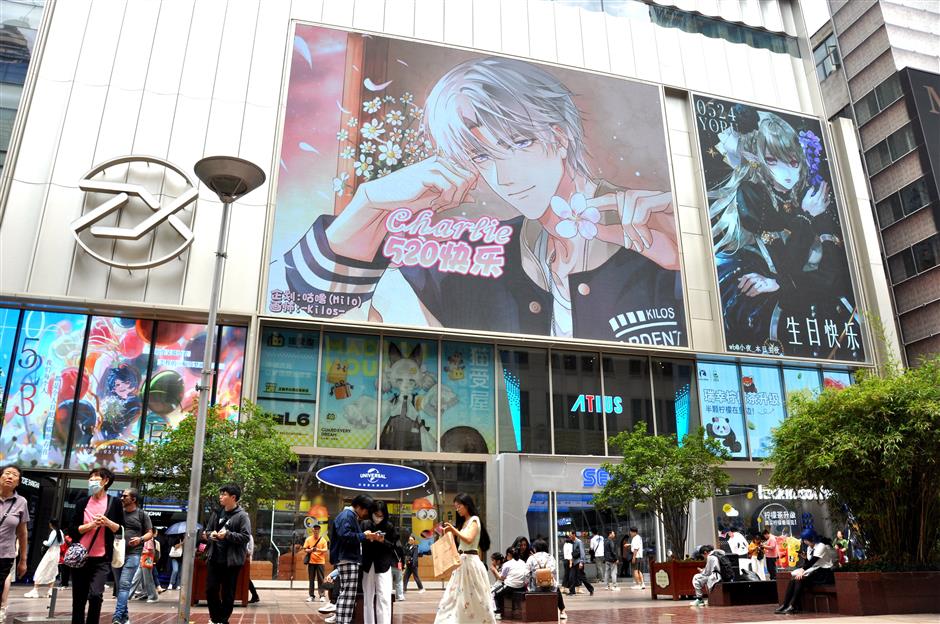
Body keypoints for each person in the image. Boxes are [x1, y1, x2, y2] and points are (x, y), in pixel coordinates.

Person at [290, 56, 683, 344]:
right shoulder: (480, 256)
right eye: (481, 156)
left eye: (520, 142)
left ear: (560, 135)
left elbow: (738, 336)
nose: (505, 175)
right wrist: (369, 204)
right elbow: (306, 312)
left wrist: (689, 263)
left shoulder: (657, 233)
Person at [70, 467, 124, 624]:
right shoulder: (82, 503)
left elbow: (120, 530)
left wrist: (107, 522)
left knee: (95, 595)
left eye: (96, 477)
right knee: (78, 599)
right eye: (90, 478)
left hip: (101, 559)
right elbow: (73, 530)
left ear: (106, 481)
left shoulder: (114, 503)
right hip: (80, 557)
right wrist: (91, 525)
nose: (92, 480)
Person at [435, 493, 495, 623]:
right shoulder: (465, 522)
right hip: (462, 562)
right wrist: (449, 532)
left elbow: (468, 539)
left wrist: (454, 530)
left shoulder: (474, 520)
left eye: (459, 506)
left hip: (470, 562)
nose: (457, 509)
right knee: (455, 597)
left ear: (466, 505)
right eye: (456, 507)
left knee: (473, 597)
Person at [201, 484, 252, 624]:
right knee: (210, 590)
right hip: (214, 558)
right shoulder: (217, 513)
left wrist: (228, 535)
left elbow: (246, 536)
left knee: (228, 593)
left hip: (231, 561)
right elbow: (207, 531)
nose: (220, 497)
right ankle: (215, 618)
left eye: (224, 494)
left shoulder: (242, 516)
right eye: (221, 494)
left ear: (233, 497)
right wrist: (211, 534)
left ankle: (222, 620)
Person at [329, 494, 380, 624]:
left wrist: (364, 535)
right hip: (348, 558)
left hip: (347, 558)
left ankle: (342, 620)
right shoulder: (347, 516)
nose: (366, 513)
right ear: (358, 506)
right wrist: (364, 536)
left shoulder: (348, 516)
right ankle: (343, 621)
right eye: (365, 510)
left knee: (346, 593)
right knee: (348, 594)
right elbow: (345, 536)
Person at [111, 487, 153, 624]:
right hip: (117, 554)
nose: (122, 498)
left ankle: (117, 617)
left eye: (125, 496)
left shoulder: (142, 514)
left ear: (133, 499)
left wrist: (140, 539)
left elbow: (150, 533)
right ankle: (125, 617)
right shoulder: (118, 514)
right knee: (120, 587)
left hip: (133, 554)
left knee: (124, 585)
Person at [775, 529, 837, 615]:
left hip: (823, 573)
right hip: (814, 571)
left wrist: (802, 570)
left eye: (805, 540)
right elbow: (809, 562)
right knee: (794, 579)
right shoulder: (809, 548)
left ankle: (792, 606)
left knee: (799, 579)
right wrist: (805, 559)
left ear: (812, 538)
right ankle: (785, 605)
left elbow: (814, 561)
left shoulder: (821, 546)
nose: (804, 542)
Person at [361, 500, 398, 624]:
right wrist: (368, 538)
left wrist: (382, 540)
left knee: (384, 597)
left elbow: (394, 546)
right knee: (368, 597)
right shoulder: (365, 524)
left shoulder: (389, 526)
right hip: (367, 564)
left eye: (381, 515)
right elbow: (359, 541)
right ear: (371, 512)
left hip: (383, 564)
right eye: (376, 514)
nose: (378, 518)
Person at [526, 539, 567, 620]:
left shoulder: (531, 558)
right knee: (556, 588)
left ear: (535, 548)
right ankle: (562, 611)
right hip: (550, 586)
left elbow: (526, 573)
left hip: (535, 587)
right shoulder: (550, 557)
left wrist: (527, 584)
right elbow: (554, 572)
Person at [24, 519, 63, 598]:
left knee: (41, 569)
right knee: (52, 571)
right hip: (56, 552)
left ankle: (35, 590)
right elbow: (62, 542)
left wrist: (44, 542)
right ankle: (50, 591)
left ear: (51, 524)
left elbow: (48, 543)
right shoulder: (60, 532)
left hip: (50, 552)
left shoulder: (53, 532)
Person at [493, 547, 527, 618]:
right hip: (521, 587)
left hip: (510, 586)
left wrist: (494, 570)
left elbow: (501, 578)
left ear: (509, 554)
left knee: (496, 594)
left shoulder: (507, 564)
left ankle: (498, 613)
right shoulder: (523, 562)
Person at [303, 524, 329, 602]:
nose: (316, 531)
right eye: (315, 530)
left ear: (319, 531)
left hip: (320, 562)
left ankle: (322, 595)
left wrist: (317, 549)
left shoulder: (323, 540)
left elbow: (325, 550)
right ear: (313, 530)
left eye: (317, 530)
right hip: (311, 562)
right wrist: (310, 550)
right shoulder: (308, 539)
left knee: (321, 579)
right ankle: (311, 595)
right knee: (311, 579)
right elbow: (305, 549)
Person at [567, 531, 593, 596]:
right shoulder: (572, 542)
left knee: (582, 577)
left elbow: (582, 552)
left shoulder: (579, 542)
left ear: (574, 535)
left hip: (579, 562)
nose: (569, 536)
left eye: (570, 535)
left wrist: (581, 562)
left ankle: (591, 589)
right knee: (571, 577)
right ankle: (572, 591)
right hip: (574, 562)